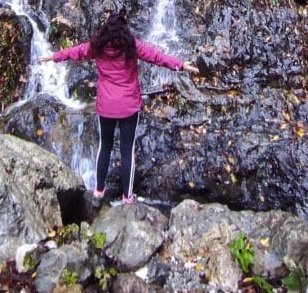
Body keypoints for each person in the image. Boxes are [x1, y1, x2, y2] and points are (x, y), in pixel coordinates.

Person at [38, 12, 199, 204]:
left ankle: (98, 192)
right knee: (126, 151)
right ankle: (127, 197)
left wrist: (53, 57)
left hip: (106, 106)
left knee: (104, 147)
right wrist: (180, 65)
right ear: (124, 31)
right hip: (128, 106)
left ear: (105, 31)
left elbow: (76, 52)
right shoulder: (132, 46)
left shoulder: (97, 47)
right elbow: (157, 57)